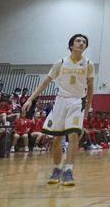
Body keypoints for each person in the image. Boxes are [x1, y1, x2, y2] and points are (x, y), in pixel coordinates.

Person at [23, 34, 94, 187]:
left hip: (77, 101)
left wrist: (88, 106)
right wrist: (30, 99)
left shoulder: (88, 63)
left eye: (84, 42)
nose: (81, 43)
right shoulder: (60, 63)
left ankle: (69, 170)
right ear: (71, 45)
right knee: (56, 138)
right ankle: (57, 169)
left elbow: (91, 87)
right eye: (78, 41)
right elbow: (45, 82)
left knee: (74, 135)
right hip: (61, 101)